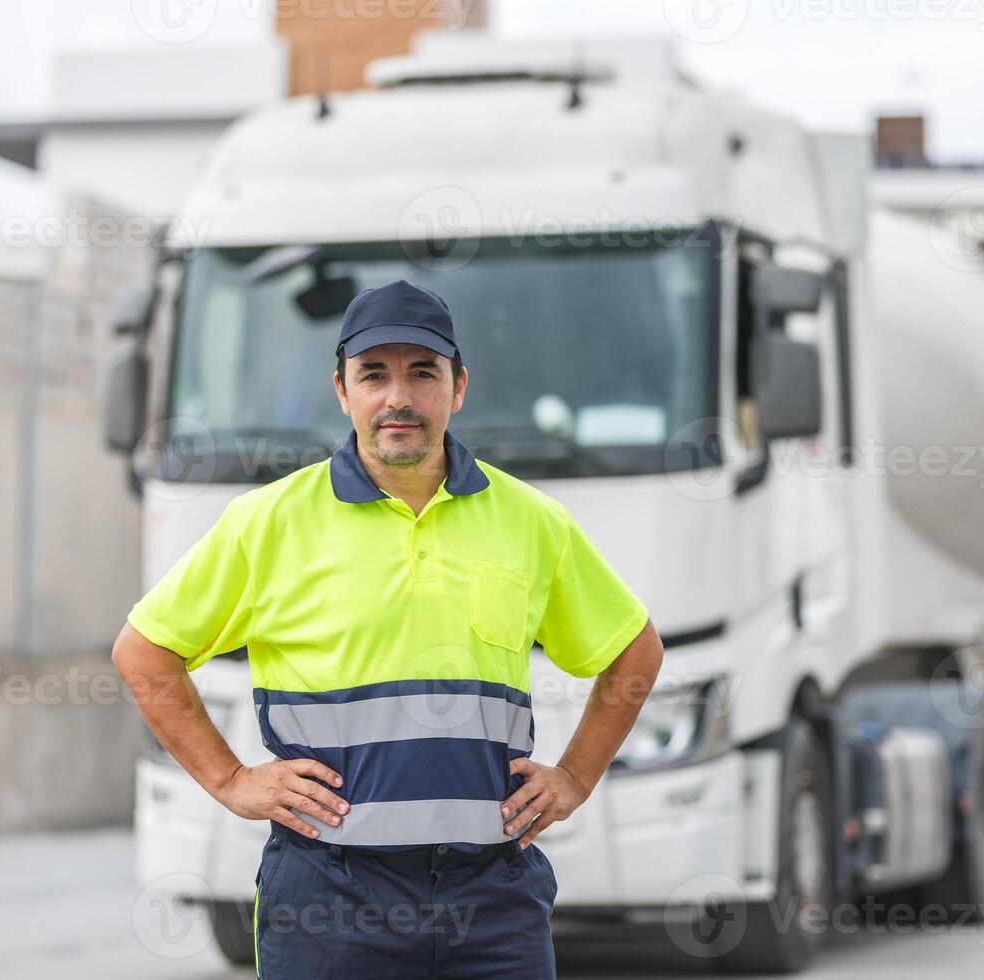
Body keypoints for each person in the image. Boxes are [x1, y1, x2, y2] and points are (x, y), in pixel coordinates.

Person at [112, 278, 664, 978]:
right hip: (329, 900)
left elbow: (634, 652)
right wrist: (230, 780)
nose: (397, 397)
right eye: (374, 375)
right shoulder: (269, 523)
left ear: (458, 387)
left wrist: (576, 778)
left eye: (422, 374)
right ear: (342, 390)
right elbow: (144, 652)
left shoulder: (532, 523)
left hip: (492, 898)